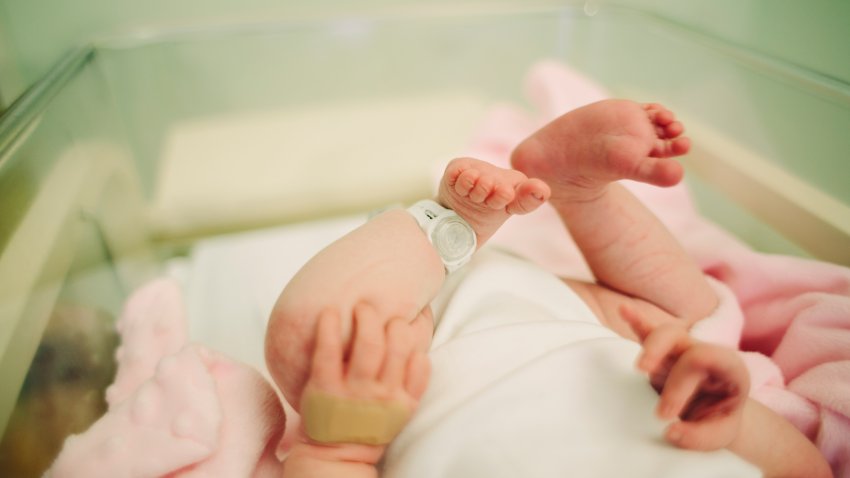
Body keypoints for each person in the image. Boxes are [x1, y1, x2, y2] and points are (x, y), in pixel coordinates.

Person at [265, 100, 832, 478]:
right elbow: (807, 471)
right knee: (690, 313)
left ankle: (449, 230)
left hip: (408, 367)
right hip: (628, 360)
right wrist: (728, 415)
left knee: (316, 339)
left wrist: (339, 448)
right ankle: (578, 191)